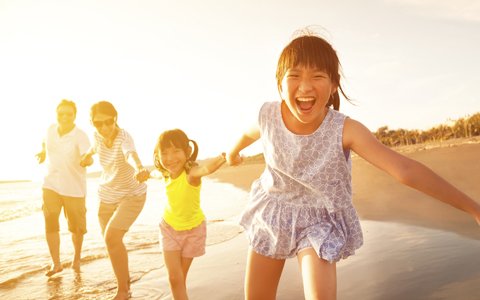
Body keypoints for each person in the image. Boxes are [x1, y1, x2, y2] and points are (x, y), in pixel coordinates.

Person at [226, 33, 480, 300]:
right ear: (280, 83)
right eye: (295, 75)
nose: (305, 87)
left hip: (319, 221)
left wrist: (472, 207)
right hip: (273, 212)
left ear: (334, 84)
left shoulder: (345, 129)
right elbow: (247, 135)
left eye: (318, 76)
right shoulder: (268, 115)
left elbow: (405, 171)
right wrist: (232, 154)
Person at [79, 101, 150, 300]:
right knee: (111, 240)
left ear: (115, 119)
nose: (103, 127)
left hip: (132, 194)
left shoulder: (124, 137)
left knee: (112, 237)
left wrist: (139, 167)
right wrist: (86, 157)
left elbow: (130, 153)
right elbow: (93, 149)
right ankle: (125, 279)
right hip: (107, 194)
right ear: (92, 123)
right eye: (97, 123)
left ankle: (123, 291)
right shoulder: (97, 136)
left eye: (108, 122)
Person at [152, 129, 226, 300]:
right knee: (175, 278)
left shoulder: (191, 175)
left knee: (179, 278)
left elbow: (206, 169)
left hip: (193, 231)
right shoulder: (164, 174)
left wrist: (223, 157)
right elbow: (152, 173)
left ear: (187, 152)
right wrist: (142, 173)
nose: (170, 158)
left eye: (176, 151)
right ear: (158, 155)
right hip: (169, 228)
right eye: (164, 153)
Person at [36, 99, 90, 276]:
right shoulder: (50, 129)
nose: (65, 117)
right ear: (56, 114)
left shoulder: (80, 135)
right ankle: (56, 263)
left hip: (74, 187)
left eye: (69, 114)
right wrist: (43, 152)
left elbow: (87, 155)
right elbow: (45, 141)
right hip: (50, 184)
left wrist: (86, 160)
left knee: (76, 228)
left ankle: (76, 258)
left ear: (75, 116)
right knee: (50, 219)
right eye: (61, 113)